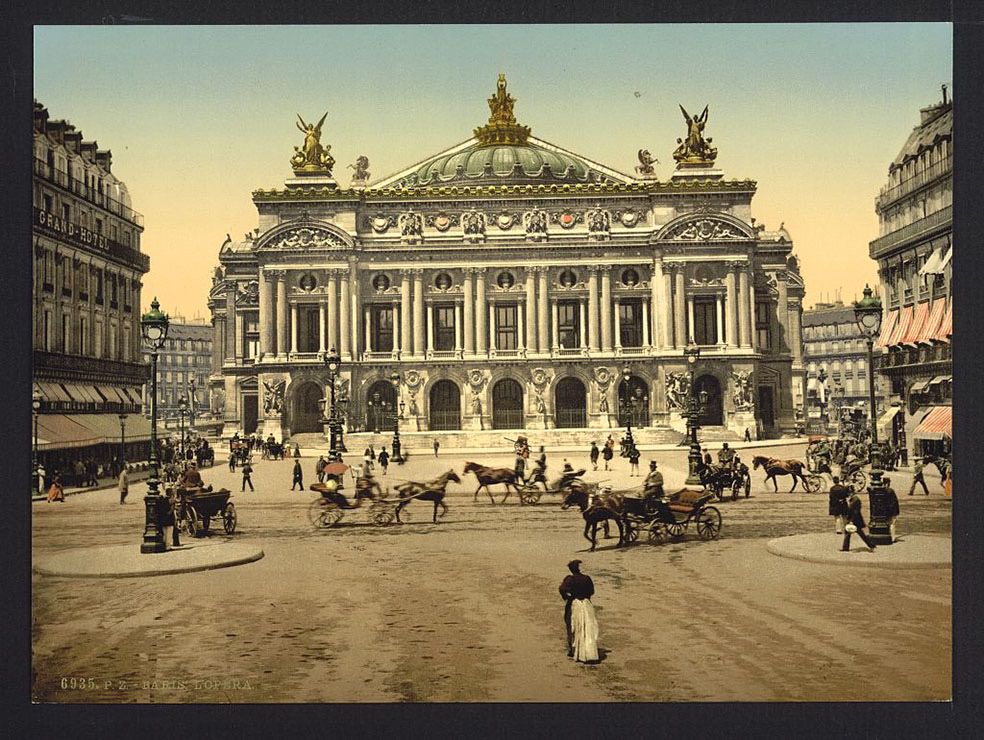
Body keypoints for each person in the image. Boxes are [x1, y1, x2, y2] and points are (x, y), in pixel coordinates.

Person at [559, 560, 599, 663]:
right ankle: (588, 650)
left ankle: (573, 649)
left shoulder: (570, 579)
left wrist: (567, 597)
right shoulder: (586, 578)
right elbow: (591, 591)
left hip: (575, 604)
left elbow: (562, 589)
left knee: (572, 626)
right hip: (586, 604)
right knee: (588, 627)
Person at [883, 476, 901, 541]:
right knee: (892, 524)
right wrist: (897, 512)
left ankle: (886, 535)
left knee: (886, 523)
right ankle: (892, 538)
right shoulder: (891, 491)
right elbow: (895, 502)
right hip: (892, 510)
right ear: (888, 483)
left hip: (885, 510)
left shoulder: (882, 490)